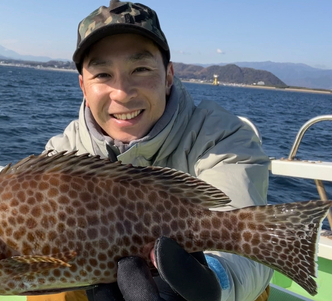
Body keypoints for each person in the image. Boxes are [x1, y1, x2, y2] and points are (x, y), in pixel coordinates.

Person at [34, 1, 273, 300]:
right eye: (103, 75)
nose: (122, 92)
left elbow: (247, 236)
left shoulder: (220, 135)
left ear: (168, 75)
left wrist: (210, 281)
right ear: (83, 86)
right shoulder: (61, 154)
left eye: (141, 69)